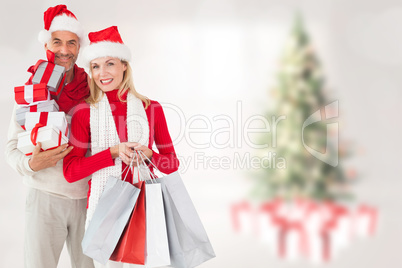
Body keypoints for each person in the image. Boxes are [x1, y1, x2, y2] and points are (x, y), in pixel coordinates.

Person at [63, 26, 180, 267]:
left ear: (124, 65)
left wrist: (149, 155)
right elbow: (71, 171)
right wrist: (113, 152)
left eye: (110, 64)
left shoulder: (151, 108)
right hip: (104, 211)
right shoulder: (84, 112)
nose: (102, 73)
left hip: (143, 207)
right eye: (95, 66)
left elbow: (171, 164)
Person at [5, 5, 94, 268]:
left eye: (71, 43)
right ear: (47, 44)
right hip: (44, 197)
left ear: (79, 48)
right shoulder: (31, 88)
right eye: (58, 42)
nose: (64, 50)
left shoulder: (93, 89)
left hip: (87, 201)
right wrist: (32, 164)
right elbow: (11, 148)